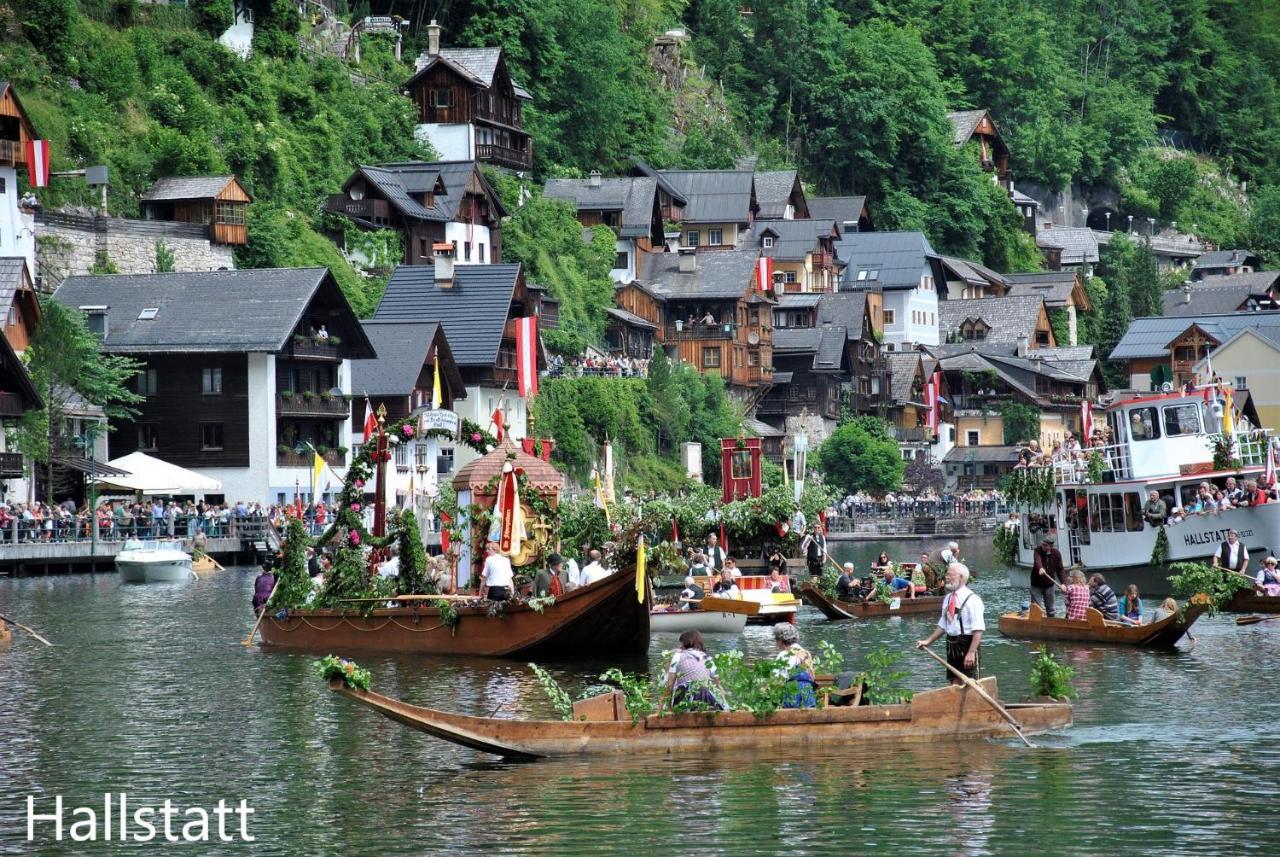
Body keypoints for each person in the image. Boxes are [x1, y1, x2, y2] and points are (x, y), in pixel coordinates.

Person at [915, 562, 984, 684]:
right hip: (951, 644)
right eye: (946, 574)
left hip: (967, 644)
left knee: (972, 684)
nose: (946, 577)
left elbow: (978, 629)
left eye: (949, 574)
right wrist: (928, 641)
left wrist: (972, 652)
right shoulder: (948, 598)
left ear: (961, 577)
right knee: (954, 683)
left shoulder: (973, 599)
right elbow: (943, 625)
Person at [664, 631, 726, 711]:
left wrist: (668, 708)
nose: (680, 646)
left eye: (681, 643)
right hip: (705, 698)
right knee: (708, 692)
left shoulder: (678, 656)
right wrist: (725, 704)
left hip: (684, 698)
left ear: (686, 643)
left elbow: (670, 686)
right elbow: (718, 686)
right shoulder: (707, 657)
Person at [772, 623, 817, 708]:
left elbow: (778, 681)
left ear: (781, 640)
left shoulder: (784, 655)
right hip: (808, 697)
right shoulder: (806, 653)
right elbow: (812, 678)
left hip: (792, 697)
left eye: (776, 639)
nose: (776, 643)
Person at [1030, 537, 1065, 617]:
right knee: (1036, 608)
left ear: (1050, 546)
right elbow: (1037, 560)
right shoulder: (1037, 551)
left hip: (1049, 585)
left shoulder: (1056, 553)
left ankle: (1051, 623)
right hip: (1036, 584)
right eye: (1043, 544)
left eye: (1046, 545)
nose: (1044, 546)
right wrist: (1041, 568)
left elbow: (1060, 569)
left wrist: (1063, 583)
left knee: (1051, 609)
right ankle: (1036, 624)